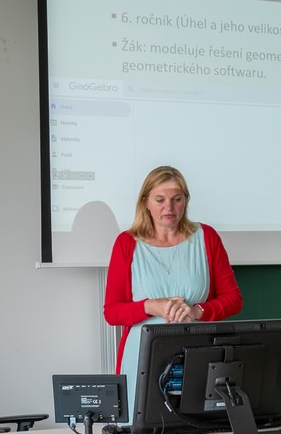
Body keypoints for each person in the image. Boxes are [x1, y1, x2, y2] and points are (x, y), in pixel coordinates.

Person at [103, 166, 242, 388]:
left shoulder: (207, 237)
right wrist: (150, 306)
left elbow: (233, 299)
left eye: (177, 199)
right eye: (160, 200)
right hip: (142, 355)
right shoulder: (126, 243)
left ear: (185, 201)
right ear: (145, 202)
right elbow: (112, 312)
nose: (169, 207)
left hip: (199, 352)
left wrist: (197, 311)